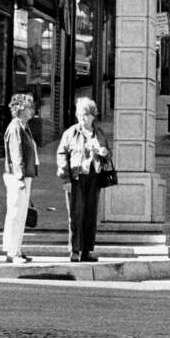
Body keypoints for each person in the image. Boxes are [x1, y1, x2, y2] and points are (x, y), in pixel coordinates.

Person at [57, 97, 111, 262]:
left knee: (90, 214)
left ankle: (88, 250)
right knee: (76, 214)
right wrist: (65, 178)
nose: (82, 117)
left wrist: (104, 153)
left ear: (93, 116)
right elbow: (61, 155)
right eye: (80, 113)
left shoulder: (99, 133)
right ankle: (74, 249)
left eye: (86, 114)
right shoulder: (71, 132)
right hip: (76, 177)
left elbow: (108, 155)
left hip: (94, 176)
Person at [2, 93, 38, 264]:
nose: (32, 110)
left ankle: (16, 249)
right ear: (20, 109)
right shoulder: (16, 127)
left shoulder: (24, 127)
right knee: (16, 214)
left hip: (24, 176)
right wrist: (20, 178)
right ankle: (12, 251)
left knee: (21, 214)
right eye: (29, 107)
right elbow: (16, 155)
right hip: (17, 176)